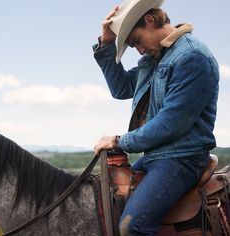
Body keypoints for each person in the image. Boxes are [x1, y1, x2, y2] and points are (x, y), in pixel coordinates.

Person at [92, 0, 219, 235]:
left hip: (182, 159)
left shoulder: (191, 57)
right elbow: (120, 88)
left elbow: (171, 124)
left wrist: (120, 141)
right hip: (157, 157)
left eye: (137, 41)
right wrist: (107, 44)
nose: (139, 50)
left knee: (132, 227)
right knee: (107, 204)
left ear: (149, 21)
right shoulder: (154, 59)